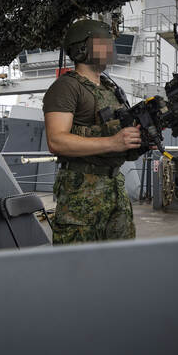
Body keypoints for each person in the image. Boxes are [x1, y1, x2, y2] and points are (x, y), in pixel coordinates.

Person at [43, 19, 142, 244]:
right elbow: (56, 141)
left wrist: (139, 139)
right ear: (82, 48)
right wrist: (113, 143)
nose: (110, 49)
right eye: (103, 43)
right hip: (81, 194)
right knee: (78, 269)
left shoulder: (112, 89)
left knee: (121, 263)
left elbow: (119, 132)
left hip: (115, 188)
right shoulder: (67, 87)